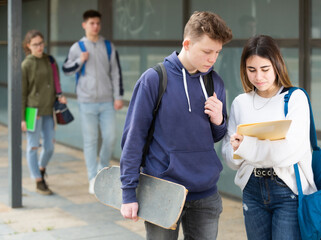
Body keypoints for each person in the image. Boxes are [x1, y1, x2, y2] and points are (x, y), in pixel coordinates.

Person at [120, 11, 232, 240]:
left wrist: (219, 121)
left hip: (206, 194)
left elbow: (215, 136)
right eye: (207, 51)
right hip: (162, 192)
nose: (212, 59)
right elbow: (134, 137)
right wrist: (128, 193)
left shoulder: (214, 81)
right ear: (187, 44)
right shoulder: (154, 79)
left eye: (217, 53)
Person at [221, 35, 317, 239]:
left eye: (265, 69)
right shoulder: (240, 103)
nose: (258, 77)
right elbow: (230, 158)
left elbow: (287, 153)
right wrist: (238, 150)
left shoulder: (295, 99)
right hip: (251, 189)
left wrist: (245, 147)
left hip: (287, 190)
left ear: (277, 65)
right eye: (251, 70)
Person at [62, 10, 124, 194]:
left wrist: (118, 96)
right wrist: (80, 61)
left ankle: (101, 168)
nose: (95, 26)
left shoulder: (108, 46)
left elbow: (116, 72)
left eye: (97, 23)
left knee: (110, 137)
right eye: (91, 23)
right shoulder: (77, 47)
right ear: (84, 25)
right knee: (90, 140)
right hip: (86, 101)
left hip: (106, 101)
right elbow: (66, 69)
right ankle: (92, 177)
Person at [21, 29, 67, 195]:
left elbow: (56, 82)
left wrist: (60, 96)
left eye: (41, 43)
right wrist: (23, 118)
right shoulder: (26, 65)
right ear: (28, 46)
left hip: (48, 110)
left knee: (49, 147)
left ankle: (41, 168)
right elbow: (23, 94)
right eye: (35, 44)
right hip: (32, 111)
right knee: (33, 146)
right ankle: (38, 180)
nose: (39, 47)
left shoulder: (50, 60)